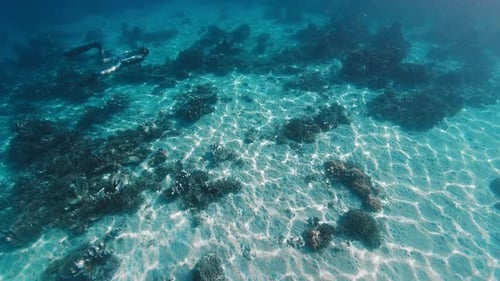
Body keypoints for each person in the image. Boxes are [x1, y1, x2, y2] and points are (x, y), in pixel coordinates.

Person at [64, 42, 149, 76]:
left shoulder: (135, 51)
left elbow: (126, 52)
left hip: (119, 57)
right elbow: (132, 58)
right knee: (111, 70)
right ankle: (97, 74)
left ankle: (98, 46)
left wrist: (119, 58)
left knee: (105, 61)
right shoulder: (141, 57)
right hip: (122, 62)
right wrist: (123, 61)